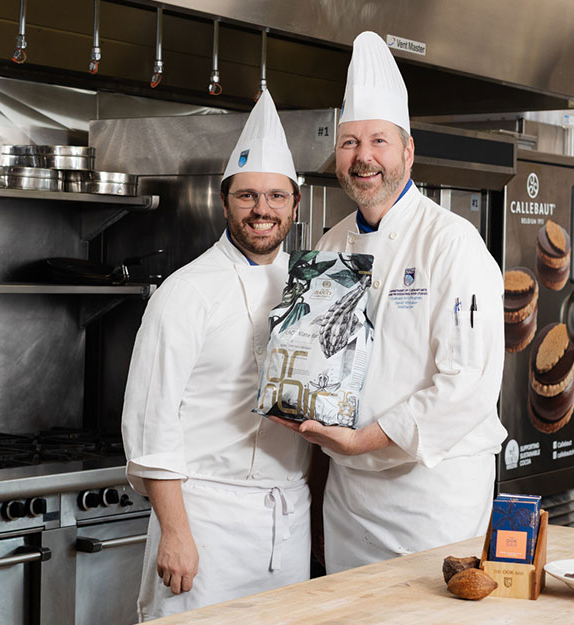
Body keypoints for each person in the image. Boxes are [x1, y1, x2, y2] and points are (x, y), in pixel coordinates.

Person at [271, 31, 507, 573]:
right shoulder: (330, 245)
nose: (363, 158)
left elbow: (467, 383)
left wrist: (363, 441)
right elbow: (317, 360)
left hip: (432, 496)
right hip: (350, 500)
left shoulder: (452, 243)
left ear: (407, 151)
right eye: (350, 142)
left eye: (378, 141)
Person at [121, 90, 312, 621]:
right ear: (225, 201)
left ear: (295, 205)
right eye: (248, 196)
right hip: (205, 520)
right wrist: (175, 533)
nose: (262, 210)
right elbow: (150, 422)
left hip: (287, 521)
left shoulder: (310, 288)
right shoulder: (186, 291)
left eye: (276, 196)